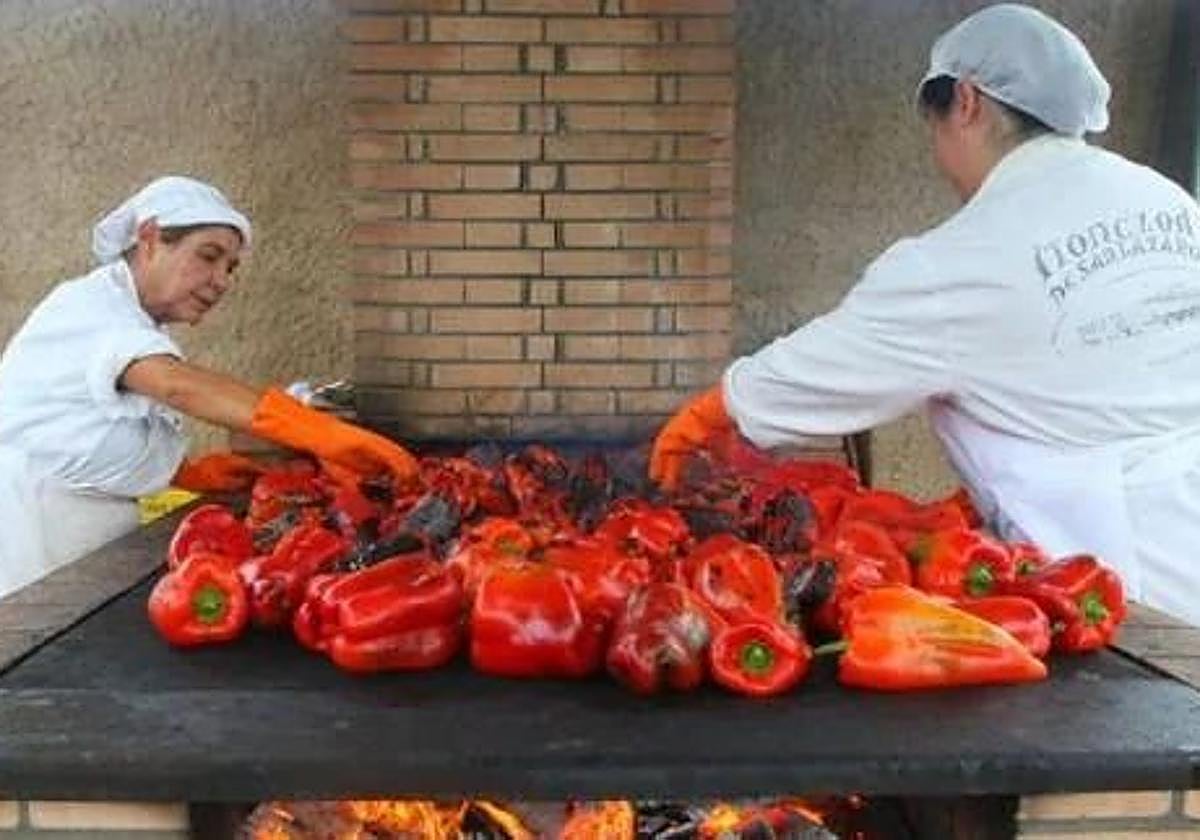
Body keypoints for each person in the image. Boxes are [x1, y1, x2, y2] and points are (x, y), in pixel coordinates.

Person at [650, 4, 1200, 627]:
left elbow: (840, 358)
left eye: (934, 129)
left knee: (1150, 716)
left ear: (965, 101)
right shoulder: (1164, 201)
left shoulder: (969, 252)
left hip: (1123, 570)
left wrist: (712, 412)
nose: (940, 156)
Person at [0, 176, 419, 597]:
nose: (222, 281)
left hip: (84, 544)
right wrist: (321, 433)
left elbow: (91, 433)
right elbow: (178, 386)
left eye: (230, 267)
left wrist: (194, 475)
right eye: (209, 256)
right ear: (149, 239)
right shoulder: (91, 307)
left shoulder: (138, 326)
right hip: (34, 547)